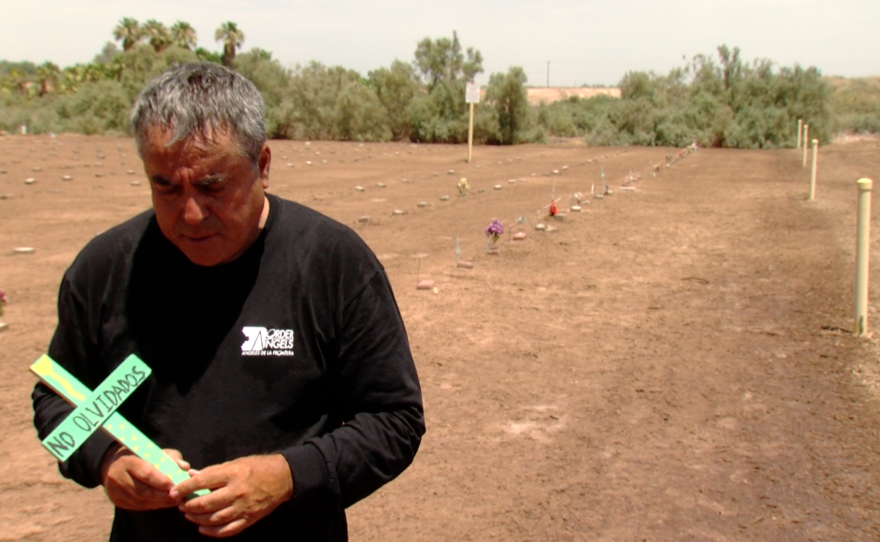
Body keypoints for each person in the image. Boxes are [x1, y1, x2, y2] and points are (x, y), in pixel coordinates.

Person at [31, 62, 425, 541]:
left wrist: (288, 476)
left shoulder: (332, 263)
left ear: (262, 164)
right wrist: (104, 459)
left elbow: (395, 421)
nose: (190, 213)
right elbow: (58, 396)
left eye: (212, 186)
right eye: (165, 186)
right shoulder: (106, 269)